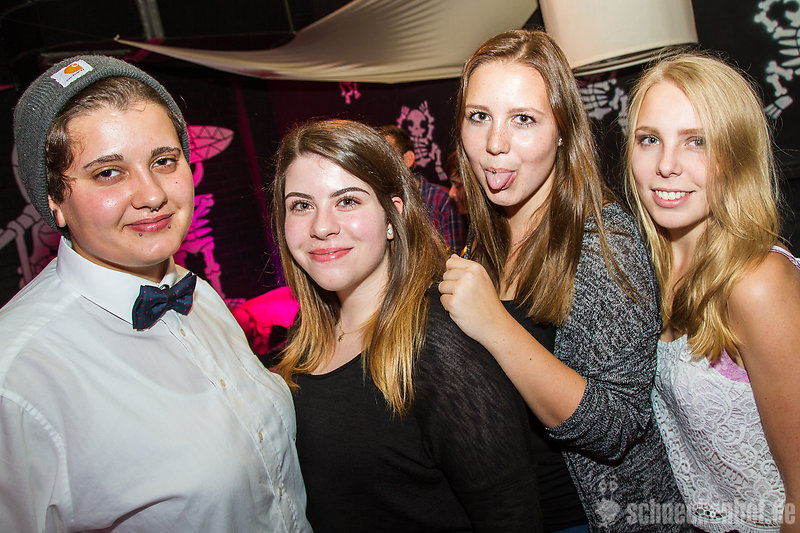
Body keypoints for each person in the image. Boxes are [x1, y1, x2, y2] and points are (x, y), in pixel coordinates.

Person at [0, 55, 311, 532]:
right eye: (108, 172)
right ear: (55, 199)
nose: (152, 195)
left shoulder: (197, 294)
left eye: (164, 161)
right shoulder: (18, 376)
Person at [438, 30, 687, 531]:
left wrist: (495, 325)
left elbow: (616, 424)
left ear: (563, 131)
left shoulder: (603, 242)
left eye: (523, 119)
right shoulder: (486, 240)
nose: (495, 143)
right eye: (479, 116)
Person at [271, 118, 541, 532]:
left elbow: (511, 516)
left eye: (347, 201)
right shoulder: (304, 334)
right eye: (301, 205)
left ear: (392, 215)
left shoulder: (439, 346)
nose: (321, 227)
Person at [625, 52, 800, 532]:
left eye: (696, 141)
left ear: (736, 155)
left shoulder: (758, 282)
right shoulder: (647, 271)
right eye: (649, 139)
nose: (666, 165)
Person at [379, 124, 464, 252]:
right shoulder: (377, 201)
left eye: (386, 156)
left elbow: (456, 255)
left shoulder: (441, 199)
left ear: (408, 159)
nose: (380, 164)